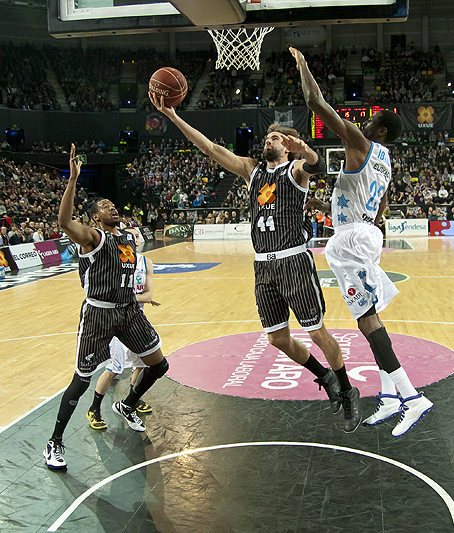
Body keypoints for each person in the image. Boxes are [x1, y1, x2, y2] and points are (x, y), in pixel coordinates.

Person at [150, 93, 361, 433]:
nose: (268, 141)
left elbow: (315, 164)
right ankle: (323, 376)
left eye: (274, 138)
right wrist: (174, 117)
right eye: (266, 138)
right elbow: (210, 149)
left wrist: (304, 148)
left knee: (317, 333)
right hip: (263, 266)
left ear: (287, 145)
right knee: (278, 339)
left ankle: (348, 390)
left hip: (294, 262)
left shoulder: (295, 170)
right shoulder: (252, 170)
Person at [291, 46, 433, 437]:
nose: (363, 124)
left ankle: (411, 397)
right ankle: (388, 400)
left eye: (369, 121)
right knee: (370, 315)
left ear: (381, 130)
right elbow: (377, 208)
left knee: (367, 320)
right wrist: (321, 203)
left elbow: (315, 101)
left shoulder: (362, 144)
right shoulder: (386, 162)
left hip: (352, 239)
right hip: (362, 232)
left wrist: (304, 66)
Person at [44, 144, 169, 471]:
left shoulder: (127, 239)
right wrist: (72, 179)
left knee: (159, 365)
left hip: (129, 311)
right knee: (82, 379)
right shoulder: (92, 237)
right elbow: (63, 221)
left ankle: (127, 405)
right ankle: (55, 440)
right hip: (99, 314)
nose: (112, 207)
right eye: (105, 205)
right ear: (95, 216)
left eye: (113, 204)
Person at [86, 226, 159, 430]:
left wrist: (128, 298)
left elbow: (148, 295)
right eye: (131, 236)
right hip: (117, 321)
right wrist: (133, 299)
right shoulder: (115, 261)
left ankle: (131, 401)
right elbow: (111, 293)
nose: (135, 239)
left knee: (142, 365)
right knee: (114, 368)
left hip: (136, 320)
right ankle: (94, 409)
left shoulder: (146, 262)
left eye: (137, 236)